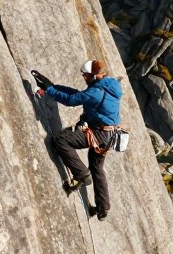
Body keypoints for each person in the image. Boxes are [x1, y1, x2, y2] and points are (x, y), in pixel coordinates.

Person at [36, 59, 122, 220]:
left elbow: (72, 100)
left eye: (86, 75)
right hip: (109, 135)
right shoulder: (108, 84)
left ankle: (81, 175)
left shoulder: (97, 92)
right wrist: (53, 87)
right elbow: (78, 94)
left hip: (100, 134)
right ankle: (103, 209)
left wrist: (50, 90)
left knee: (61, 141)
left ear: (95, 76)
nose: (84, 77)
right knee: (97, 168)